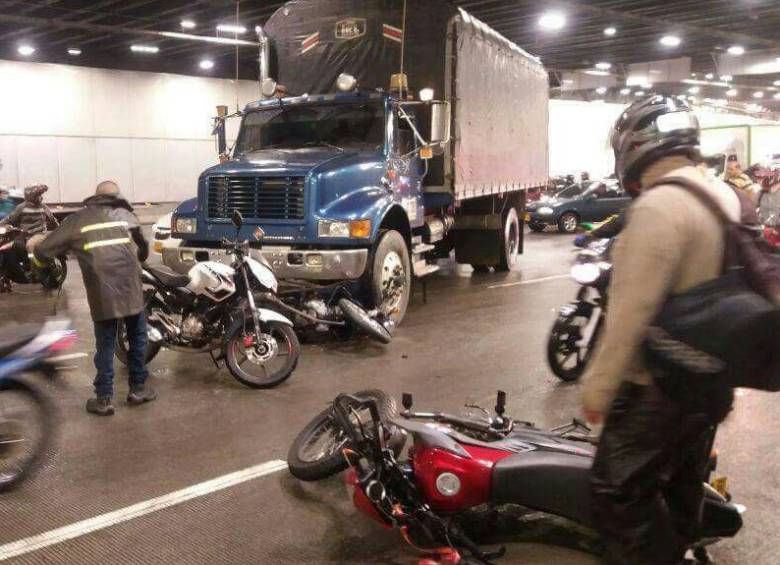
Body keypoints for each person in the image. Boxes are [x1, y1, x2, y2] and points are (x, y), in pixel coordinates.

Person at [582, 96, 741, 565]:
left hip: (661, 386)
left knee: (614, 490)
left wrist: (598, 388)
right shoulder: (720, 194)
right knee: (680, 482)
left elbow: (630, 313)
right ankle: (683, 548)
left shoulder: (659, 207)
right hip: (713, 378)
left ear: (634, 145)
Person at [32, 181, 156, 416]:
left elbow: (42, 250)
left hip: (103, 295)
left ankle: (104, 399)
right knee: (138, 338)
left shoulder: (78, 220)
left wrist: (42, 270)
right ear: (117, 196)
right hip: (131, 290)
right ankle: (138, 389)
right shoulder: (126, 215)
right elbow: (143, 247)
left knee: (106, 344)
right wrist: (138, 259)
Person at [0, 184, 59, 283]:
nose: (41, 197)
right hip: (24, 235)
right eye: (38, 195)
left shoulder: (43, 207)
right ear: (31, 196)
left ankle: (36, 270)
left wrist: (60, 229)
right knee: (10, 246)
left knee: (30, 245)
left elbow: (53, 220)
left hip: (39, 234)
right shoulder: (22, 207)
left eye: (40, 195)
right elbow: (10, 219)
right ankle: (18, 271)